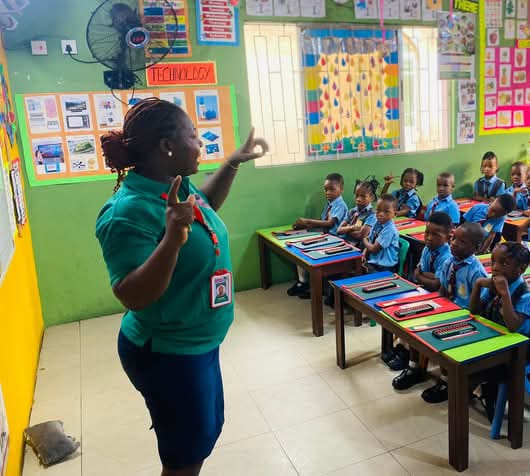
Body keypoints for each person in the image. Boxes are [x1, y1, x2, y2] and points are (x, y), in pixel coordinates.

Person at [95, 98, 268, 476]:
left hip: (198, 342)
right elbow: (131, 293)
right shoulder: (127, 211)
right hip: (167, 353)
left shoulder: (174, 187)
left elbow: (204, 203)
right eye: (193, 135)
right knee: (184, 458)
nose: (201, 142)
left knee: (201, 436)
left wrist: (233, 162)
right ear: (166, 146)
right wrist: (172, 238)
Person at [469, 242, 530, 420]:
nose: (496, 268)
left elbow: (513, 326)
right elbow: (475, 312)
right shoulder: (494, 286)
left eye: (504, 263)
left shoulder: (526, 296)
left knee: (468, 367)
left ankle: (488, 396)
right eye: (493, 262)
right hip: (492, 339)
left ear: (522, 268)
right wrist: (477, 286)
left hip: (514, 353)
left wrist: (506, 295)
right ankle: (478, 389)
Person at [421, 223, 489, 403]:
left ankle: (446, 381)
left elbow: (480, 306)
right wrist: (437, 308)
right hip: (448, 308)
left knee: (446, 338)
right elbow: (443, 289)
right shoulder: (449, 262)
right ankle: (416, 367)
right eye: (454, 238)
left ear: (475, 248)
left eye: (462, 241)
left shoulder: (476, 271)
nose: (454, 243)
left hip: (467, 316)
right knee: (417, 323)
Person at [389, 212, 453, 383]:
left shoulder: (447, 256)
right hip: (424, 292)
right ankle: (403, 349)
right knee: (400, 308)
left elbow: (436, 283)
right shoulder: (426, 249)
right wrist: (426, 276)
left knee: (416, 319)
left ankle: (413, 363)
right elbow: (425, 276)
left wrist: (421, 276)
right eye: (427, 233)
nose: (429, 238)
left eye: (435, 235)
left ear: (448, 237)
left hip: (440, 299)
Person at [288, 173, 348, 297]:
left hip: (335, 239)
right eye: (326, 189)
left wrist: (308, 221)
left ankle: (310, 286)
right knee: (297, 246)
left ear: (341, 189)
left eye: (332, 189)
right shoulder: (330, 203)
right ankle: (303, 282)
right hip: (326, 236)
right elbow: (322, 223)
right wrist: (305, 226)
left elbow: (330, 223)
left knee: (306, 250)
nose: (328, 192)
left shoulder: (340, 205)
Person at [362, 194, 400, 272]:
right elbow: (370, 240)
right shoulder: (377, 223)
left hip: (384, 266)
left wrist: (363, 239)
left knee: (359, 272)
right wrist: (363, 254)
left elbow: (373, 249)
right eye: (378, 210)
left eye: (386, 211)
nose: (381, 214)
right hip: (373, 261)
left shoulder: (390, 229)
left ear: (395, 214)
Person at [337, 180, 377, 247]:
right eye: (357, 195)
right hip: (344, 244)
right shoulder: (352, 211)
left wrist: (346, 229)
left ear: (372, 198)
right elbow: (339, 230)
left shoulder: (372, 215)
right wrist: (353, 227)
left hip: (358, 248)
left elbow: (360, 235)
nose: (358, 199)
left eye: (363, 196)